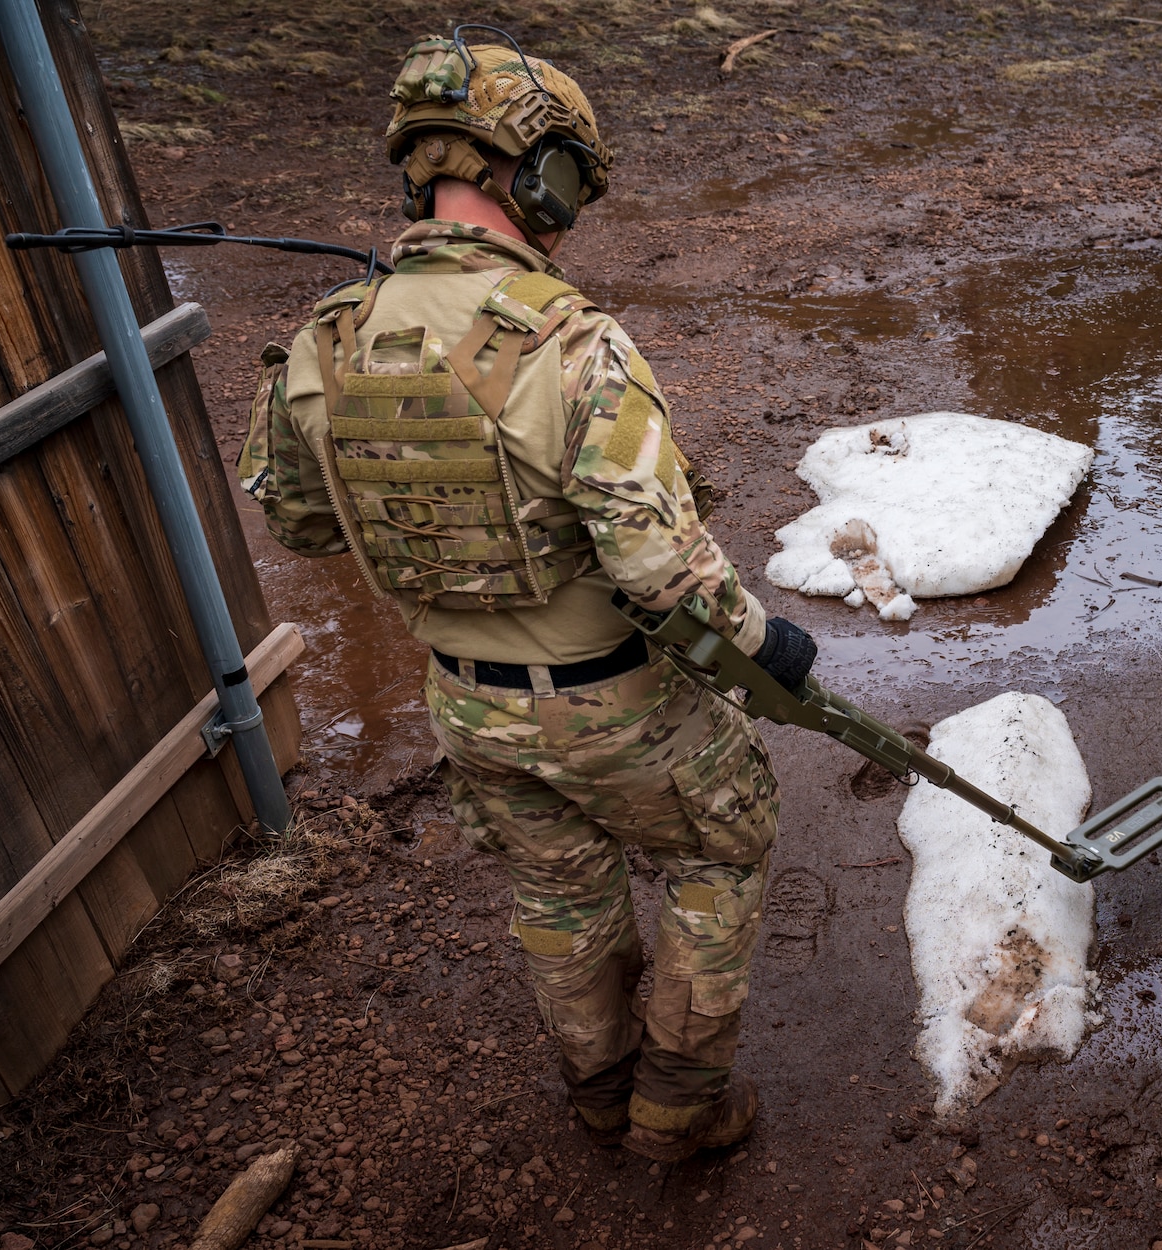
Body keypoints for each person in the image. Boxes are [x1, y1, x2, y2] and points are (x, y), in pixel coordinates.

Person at [237, 31, 816, 1162]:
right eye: (572, 184)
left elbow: (299, 521)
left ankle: (600, 1091)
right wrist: (769, 645)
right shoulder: (573, 343)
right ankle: (678, 1106)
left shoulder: (324, 339)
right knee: (721, 849)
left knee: (558, 892)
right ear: (541, 174)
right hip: (619, 704)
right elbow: (661, 571)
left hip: (468, 703)